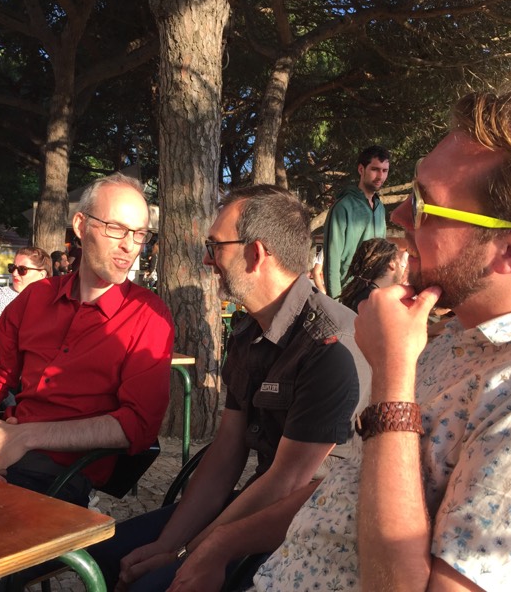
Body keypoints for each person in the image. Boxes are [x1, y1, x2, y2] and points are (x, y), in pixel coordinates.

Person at [247, 77, 511, 592]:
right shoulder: (457, 335)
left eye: (423, 204)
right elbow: (346, 494)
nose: (397, 216)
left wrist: (392, 376)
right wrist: (223, 543)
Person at [88, 184, 365, 592]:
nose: (206, 259)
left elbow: (288, 484)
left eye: (215, 246)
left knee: (151, 584)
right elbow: (227, 450)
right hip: (259, 502)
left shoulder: (330, 345)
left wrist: (184, 554)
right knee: (105, 557)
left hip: (309, 528)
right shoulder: (248, 334)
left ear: (256, 253)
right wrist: (167, 543)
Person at [0, 173, 174, 508]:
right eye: (117, 228)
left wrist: (24, 437)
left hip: (65, 472)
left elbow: (139, 425)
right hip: (1, 452)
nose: (130, 245)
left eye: (139, 234)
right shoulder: (34, 298)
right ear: (80, 225)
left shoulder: (148, 315)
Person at [323, 145, 390, 298]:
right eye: (375, 169)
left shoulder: (380, 208)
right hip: (347, 295)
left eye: (385, 171)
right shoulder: (342, 207)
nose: (380, 176)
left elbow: (383, 253)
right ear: (361, 169)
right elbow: (332, 260)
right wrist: (335, 302)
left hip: (373, 294)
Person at [0, 246, 50, 345]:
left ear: (42, 275)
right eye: (12, 268)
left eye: (22, 269)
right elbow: (3, 329)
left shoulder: (52, 299)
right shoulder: (2, 294)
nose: (15, 273)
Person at [338, 237, 408, 312]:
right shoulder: (381, 305)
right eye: (399, 261)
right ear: (391, 263)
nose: (402, 267)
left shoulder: (357, 296)